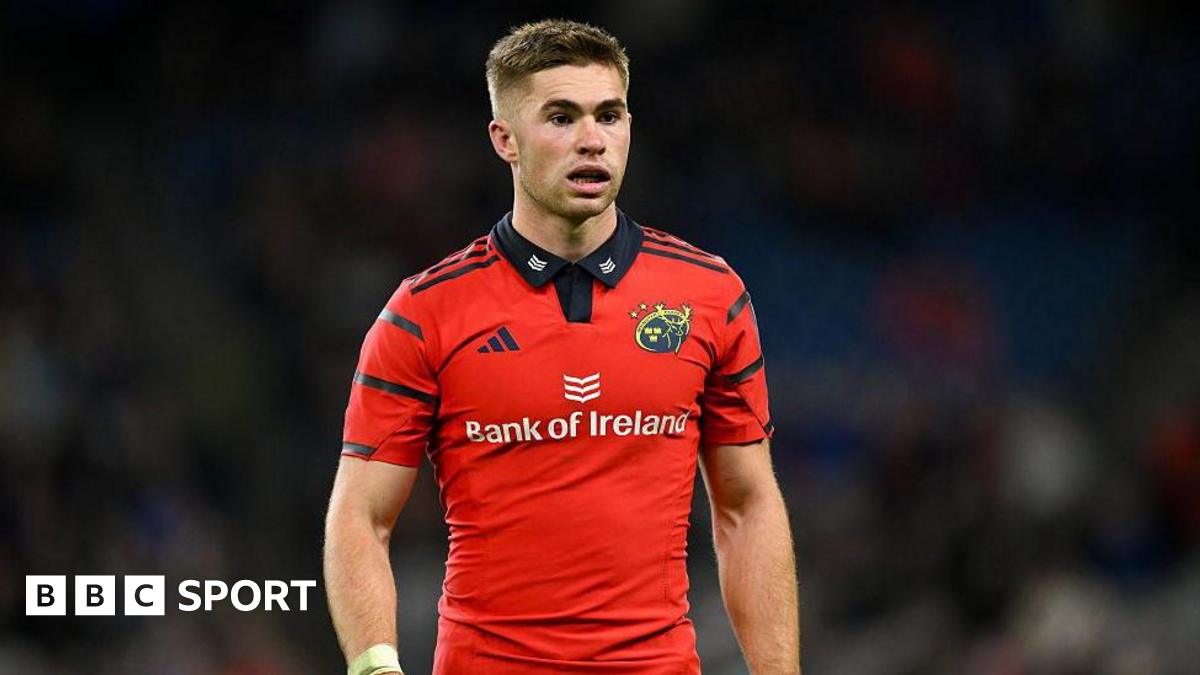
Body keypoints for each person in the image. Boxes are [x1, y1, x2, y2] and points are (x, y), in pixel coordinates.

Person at [324, 18, 800, 675]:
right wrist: (375, 666)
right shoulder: (424, 313)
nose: (592, 140)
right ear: (505, 140)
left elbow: (747, 506)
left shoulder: (711, 296)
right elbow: (361, 515)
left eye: (609, 115)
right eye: (560, 117)